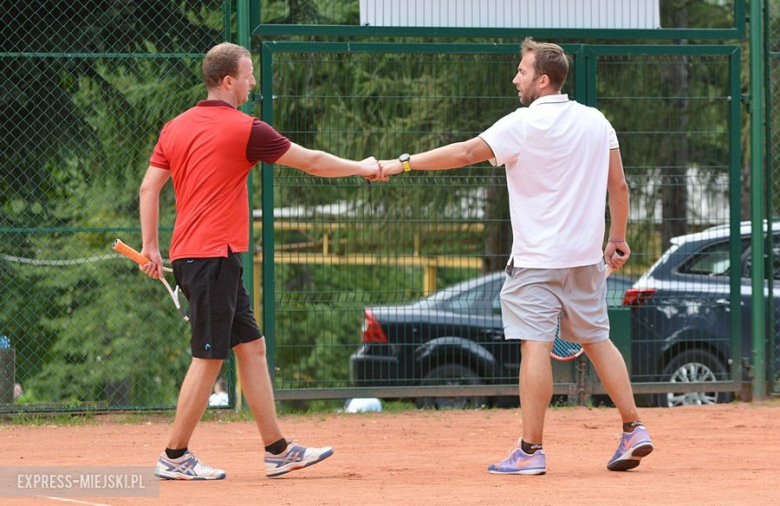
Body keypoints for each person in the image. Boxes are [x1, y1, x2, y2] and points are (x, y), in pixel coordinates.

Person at [379, 38, 652, 475]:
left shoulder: (520, 125)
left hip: (535, 261)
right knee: (599, 341)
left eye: (522, 72)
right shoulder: (597, 121)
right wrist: (617, 237)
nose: (515, 79)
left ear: (542, 80)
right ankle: (634, 427)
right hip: (585, 260)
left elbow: (466, 152)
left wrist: (404, 163)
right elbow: (618, 187)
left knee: (535, 348)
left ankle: (530, 451)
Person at [139, 42, 381, 481]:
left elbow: (148, 188)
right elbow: (311, 162)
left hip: (210, 257)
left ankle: (278, 450)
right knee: (208, 358)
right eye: (249, 75)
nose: (253, 82)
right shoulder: (246, 128)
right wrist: (361, 166)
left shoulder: (175, 127)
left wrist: (152, 246)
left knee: (252, 348)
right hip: (212, 257)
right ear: (228, 80)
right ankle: (174, 456)